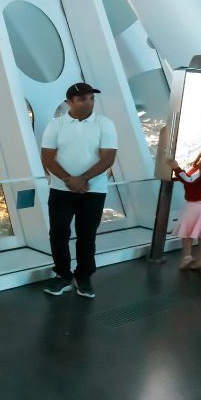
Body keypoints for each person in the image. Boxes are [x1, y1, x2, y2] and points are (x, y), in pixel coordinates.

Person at [41, 82, 118, 299]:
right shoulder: (55, 125)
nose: (89, 102)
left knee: (87, 234)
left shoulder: (105, 124)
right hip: (60, 189)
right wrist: (68, 179)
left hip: (94, 191)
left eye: (91, 98)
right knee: (58, 232)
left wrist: (83, 179)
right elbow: (47, 156)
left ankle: (84, 276)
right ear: (69, 102)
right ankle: (63, 275)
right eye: (83, 99)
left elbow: (108, 157)